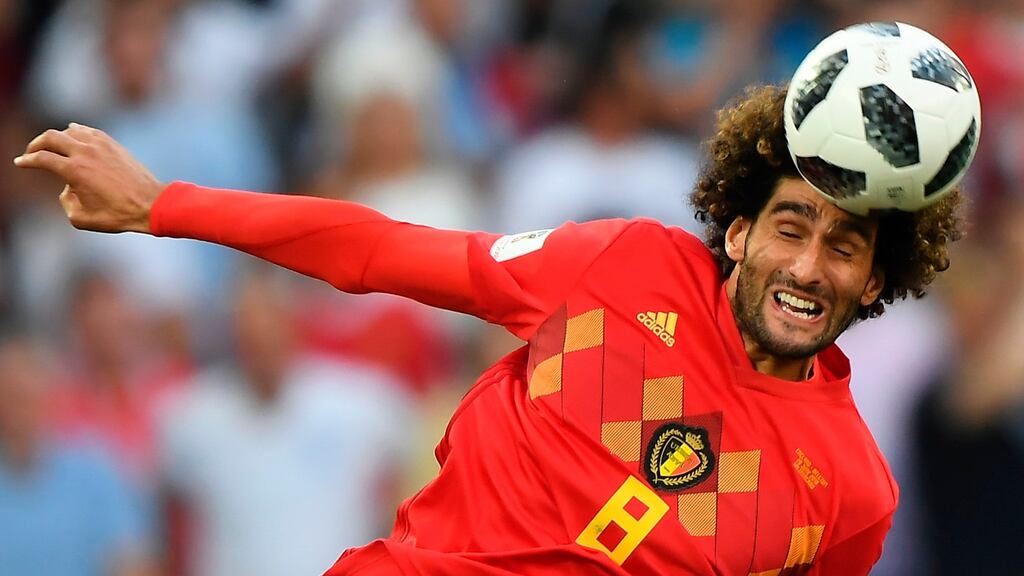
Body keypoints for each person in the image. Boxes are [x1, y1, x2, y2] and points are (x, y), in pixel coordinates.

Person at [14, 84, 962, 575]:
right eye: (791, 227)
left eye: (845, 247)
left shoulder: (850, 494)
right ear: (742, 229)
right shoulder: (621, 267)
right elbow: (378, 249)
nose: (808, 266)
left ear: (876, 277)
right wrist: (165, 205)